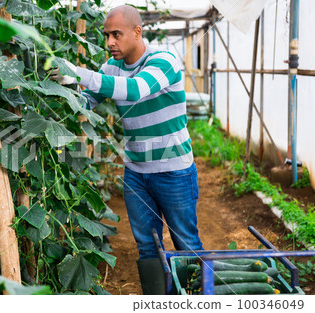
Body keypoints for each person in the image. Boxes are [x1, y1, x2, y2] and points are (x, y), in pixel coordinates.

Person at [51, 5, 203, 295]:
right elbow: (85, 102)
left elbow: (134, 90)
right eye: (107, 35)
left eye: (116, 34)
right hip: (135, 173)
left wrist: (77, 72)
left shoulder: (164, 60)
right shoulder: (111, 67)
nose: (110, 42)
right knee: (147, 246)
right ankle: (159, 300)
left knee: (185, 243)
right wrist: (60, 88)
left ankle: (195, 300)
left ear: (137, 32)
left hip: (174, 172)